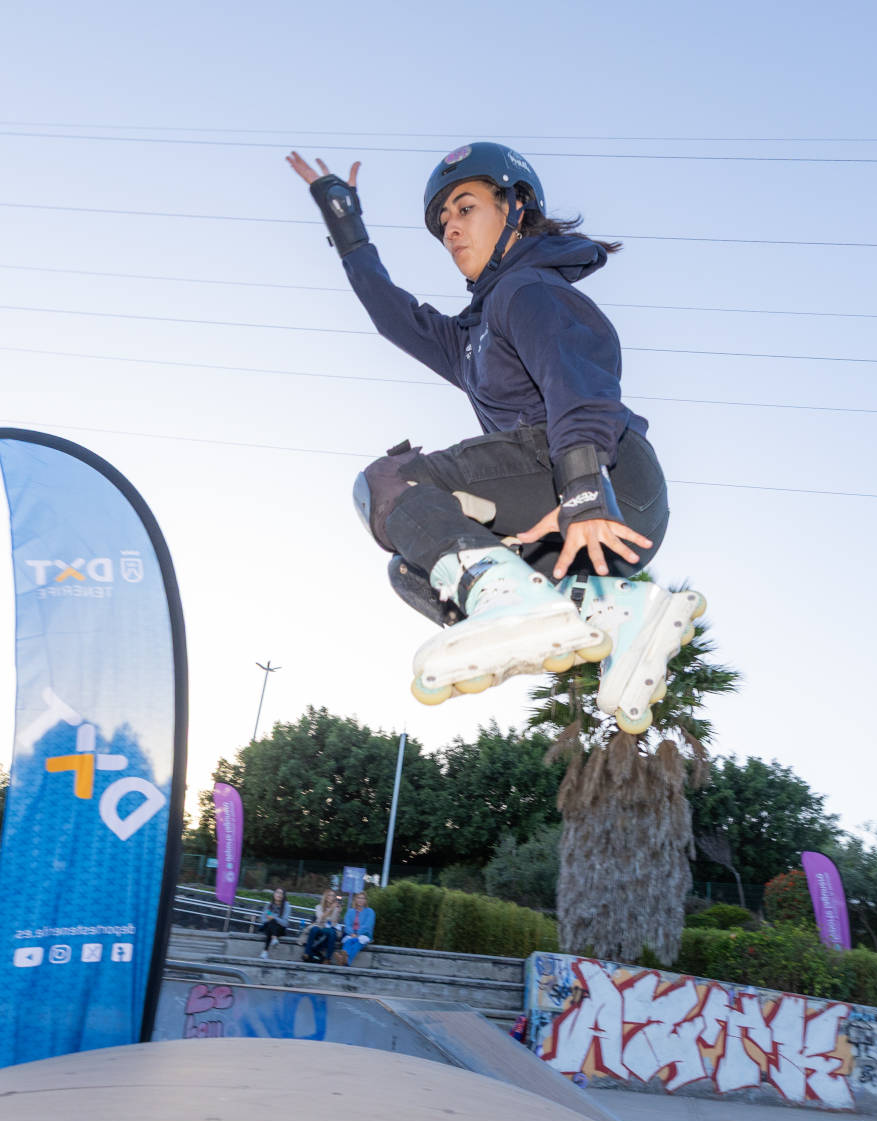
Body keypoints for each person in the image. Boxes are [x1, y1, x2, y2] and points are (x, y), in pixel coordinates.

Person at [287, 143, 702, 736]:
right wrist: (346, 225)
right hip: (568, 510)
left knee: (392, 482)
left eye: (466, 208)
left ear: (517, 206)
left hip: (603, 477)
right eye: (443, 223)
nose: (451, 228)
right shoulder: (469, 341)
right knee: (413, 566)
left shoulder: (527, 290)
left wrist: (583, 490)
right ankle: (620, 615)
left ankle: (509, 596)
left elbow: (577, 378)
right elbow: (392, 315)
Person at [301, 888, 343, 965]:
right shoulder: (319, 907)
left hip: (329, 929)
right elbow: (320, 919)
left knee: (332, 932)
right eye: (330, 895)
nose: (332, 897)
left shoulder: (336, 908)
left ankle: (327, 959)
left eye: (333, 896)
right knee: (314, 929)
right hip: (320, 926)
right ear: (326, 897)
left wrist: (337, 912)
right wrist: (330, 909)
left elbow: (334, 923)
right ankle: (307, 953)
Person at [340, 891, 377, 967]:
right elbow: (347, 924)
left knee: (357, 941)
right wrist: (351, 933)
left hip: (364, 934)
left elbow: (368, 925)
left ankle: (345, 959)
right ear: (355, 899)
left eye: (363, 898)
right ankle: (345, 961)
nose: (360, 900)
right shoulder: (350, 912)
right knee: (349, 940)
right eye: (359, 898)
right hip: (351, 934)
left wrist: (358, 934)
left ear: (365, 900)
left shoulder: (370, 911)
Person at [257, 888, 295, 959]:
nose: (279, 895)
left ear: (284, 896)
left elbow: (285, 923)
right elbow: (263, 919)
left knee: (273, 921)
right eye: (277, 892)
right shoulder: (269, 905)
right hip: (268, 927)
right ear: (274, 894)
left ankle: (265, 951)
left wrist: (274, 918)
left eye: (281, 893)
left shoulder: (286, 906)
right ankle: (274, 939)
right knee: (270, 923)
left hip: (280, 930)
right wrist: (272, 919)